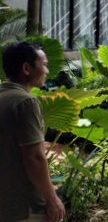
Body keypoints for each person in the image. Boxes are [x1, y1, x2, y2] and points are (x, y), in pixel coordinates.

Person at [0, 42, 65, 222]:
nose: (47, 70)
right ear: (27, 68)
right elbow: (34, 158)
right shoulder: (25, 102)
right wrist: (52, 199)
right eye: (44, 64)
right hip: (24, 208)